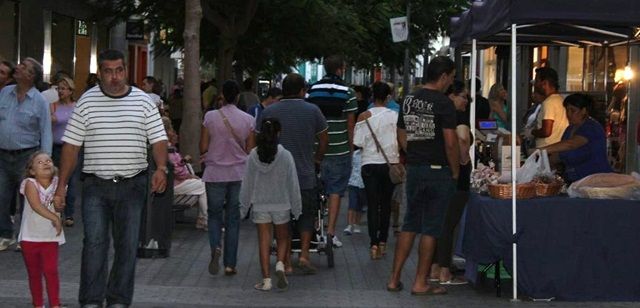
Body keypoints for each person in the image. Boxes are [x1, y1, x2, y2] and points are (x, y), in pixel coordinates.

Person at [53, 49, 168, 307]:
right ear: (99, 74)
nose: (115, 77)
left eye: (119, 70)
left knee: (127, 247)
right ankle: (91, 300)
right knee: (94, 244)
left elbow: (158, 139)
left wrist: (161, 168)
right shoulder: (86, 102)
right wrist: (61, 185)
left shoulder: (143, 101)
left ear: (126, 71)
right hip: (95, 186)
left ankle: (118, 300)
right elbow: (71, 146)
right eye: (108, 71)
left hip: (132, 186)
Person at [387, 56, 459, 296]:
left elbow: (400, 133)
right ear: (443, 76)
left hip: (415, 169)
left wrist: (415, 151)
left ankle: (394, 278)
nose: (452, 82)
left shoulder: (408, 99)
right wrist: (456, 171)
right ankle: (420, 282)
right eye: (451, 77)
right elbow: (450, 143)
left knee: (409, 224)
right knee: (430, 228)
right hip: (438, 171)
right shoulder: (444, 103)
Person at [256, 73, 328, 274]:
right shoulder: (313, 110)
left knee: (282, 218)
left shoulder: (269, 111)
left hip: (276, 176)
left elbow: (257, 140)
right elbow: (324, 140)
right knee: (306, 214)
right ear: (302, 91)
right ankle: (304, 254)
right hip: (305, 174)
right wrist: (317, 159)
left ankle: (285, 260)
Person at [200, 79, 255, 276]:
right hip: (239, 173)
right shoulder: (248, 119)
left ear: (222, 94)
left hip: (214, 173)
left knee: (214, 216)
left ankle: (215, 246)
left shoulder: (210, 117)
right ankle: (230, 264)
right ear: (238, 96)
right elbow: (250, 149)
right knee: (233, 219)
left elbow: (203, 147)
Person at [240, 118, 301, 291]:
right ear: (278, 134)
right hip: (282, 203)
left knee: (263, 243)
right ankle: (280, 263)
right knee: (282, 238)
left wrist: (243, 208)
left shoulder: (253, 155)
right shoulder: (286, 155)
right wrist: (297, 208)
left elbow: (247, 184)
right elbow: (293, 183)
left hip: (260, 204)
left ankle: (266, 280)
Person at [306, 55, 358, 248]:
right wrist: (351, 148)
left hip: (316, 150)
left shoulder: (312, 90)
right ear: (340, 69)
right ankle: (330, 233)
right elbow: (350, 124)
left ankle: (313, 228)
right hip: (340, 150)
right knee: (336, 191)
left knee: (312, 190)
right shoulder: (348, 92)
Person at [0, 57, 52, 251]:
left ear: (31, 76)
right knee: (1, 196)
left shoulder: (39, 101)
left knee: (27, 199)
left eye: (23, 67)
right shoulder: (5, 93)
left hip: (26, 155)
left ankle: (25, 237)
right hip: (3, 155)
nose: (18, 68)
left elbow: (45, 131)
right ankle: (4, 234)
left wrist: (45, 162)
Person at [431, 80, 471, 285]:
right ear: (451, 96)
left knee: (440, 223)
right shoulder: (459, 117)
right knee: (449, 224)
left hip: (440, 172)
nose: (467, 101)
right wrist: (463, 159)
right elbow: (463, 140)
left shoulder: (439, 115)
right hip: (457, 177)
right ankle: (445, 271)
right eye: (463, 96)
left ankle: (436, 267)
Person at [353, 81, 399, 260]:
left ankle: (373, 244)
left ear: (372, 97)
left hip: (369, 163)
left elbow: (358, 142)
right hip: (390, 164)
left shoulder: (363, 116)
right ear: (388, 97)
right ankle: (383, 242)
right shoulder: (395, 117)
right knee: (386, 204)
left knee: (372, 204)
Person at [19, 151, 65, 308]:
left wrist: (59, 204)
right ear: (31, 171)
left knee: (51, 271)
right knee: (34, 273)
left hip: (51, 236)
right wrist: (56, 218)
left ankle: (55, 304)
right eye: (40, 162)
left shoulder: (59, 184)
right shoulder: (29, 183)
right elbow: (36, 205)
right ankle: (38, 304)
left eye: (49, 160)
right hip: (29, 236)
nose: (46, 163)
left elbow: (59, 205)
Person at [539, 93, 612, 183]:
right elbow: (560, 155)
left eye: (573, 110)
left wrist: (540, 150)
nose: (568, 114)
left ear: (584, 111)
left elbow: (571, 144)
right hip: (575, 182)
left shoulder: (591, 127)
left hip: (595, 182)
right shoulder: (569, 129)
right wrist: (543, 164)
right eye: (567, 110)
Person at [164, 118, 207, 230]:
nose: (173, 132)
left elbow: (176, 165)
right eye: (171, 128)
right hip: (174, 184)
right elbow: (177, 170)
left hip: (174, 182)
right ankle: (205, 219)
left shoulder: (165, 146)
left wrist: (183, 162)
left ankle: (204, 219)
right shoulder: (166, 147)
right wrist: (189, 176)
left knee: (202, 186)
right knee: (203, 185)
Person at [50, 77, 79, 227]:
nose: (61, 91)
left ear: (70, 91)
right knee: (55, 179)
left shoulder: (76, 107)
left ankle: (69, 213)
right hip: (56, 147)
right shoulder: (53, 106)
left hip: (72, 147)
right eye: (59, 88)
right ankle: (56, 210)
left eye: (63, 88)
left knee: (71, 180)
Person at [529, 67, 569, 148]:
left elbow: (546, 131)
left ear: (544, 83)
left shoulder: (548, 103)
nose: (535, 85)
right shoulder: (560, 99)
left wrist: (532, 132)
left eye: (537, 81)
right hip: (556, 147)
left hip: (546, 148)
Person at [343, 148, 364, 236]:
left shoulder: (369, 155)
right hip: (353, 182)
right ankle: (349, 224)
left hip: (364, 183)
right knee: (352, 204)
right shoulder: (354, 154)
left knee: (360, 205)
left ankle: (357, 224)